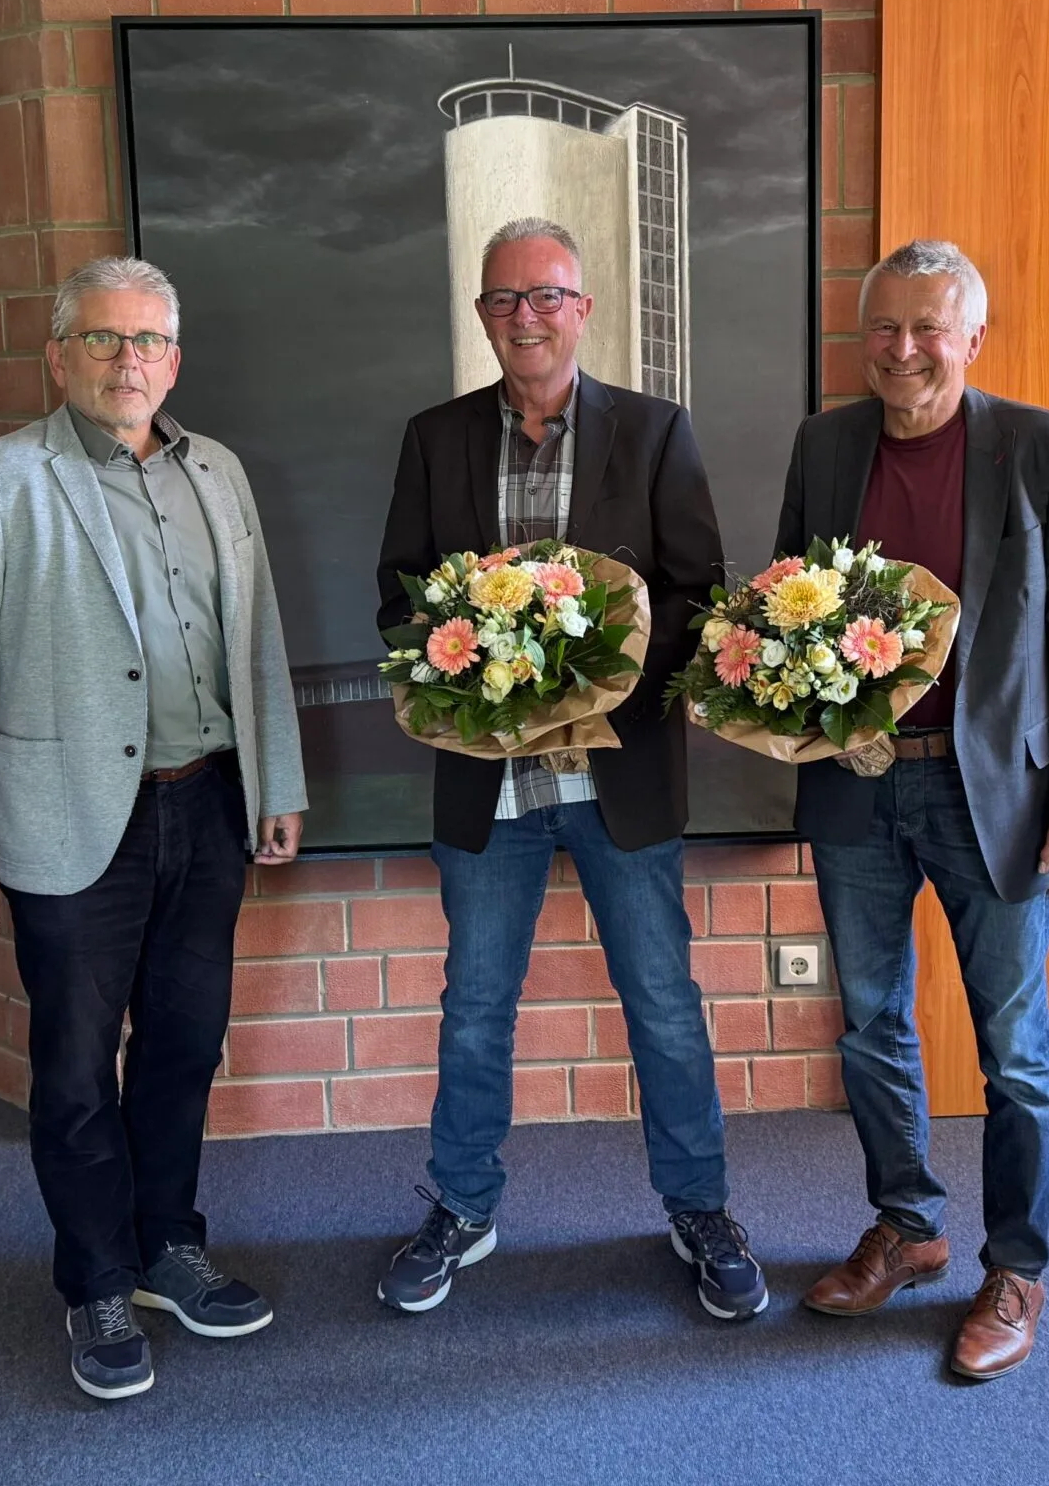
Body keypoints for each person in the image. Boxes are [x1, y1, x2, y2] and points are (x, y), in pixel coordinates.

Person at [0, 256, 307, 1400]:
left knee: (184, 1044)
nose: (128, 360)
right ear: (58, 356)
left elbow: (257, 634)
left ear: (174, 361)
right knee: (77, 1065)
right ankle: (95, 1279)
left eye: (148, 341)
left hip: (208, 802)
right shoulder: (0, 481)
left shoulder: (217, 471)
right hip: (70, 819)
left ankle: (168, 1245)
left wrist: (276, 778)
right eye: (102, 338)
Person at [374, 217, 767, 1321]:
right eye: (504, 299)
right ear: (482, 315)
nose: (526, 317)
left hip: (619, 778)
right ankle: (463, 1206)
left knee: (663, 1004)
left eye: (546, 295)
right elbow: (399, 594)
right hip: (486, 783)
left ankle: (699, 1208)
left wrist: (592, 659)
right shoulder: (435, 438)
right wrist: (481, 662)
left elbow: (699, 593)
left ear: (582, 309)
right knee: (474, 1008)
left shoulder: (655, 431)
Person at [775, 240, 1049, 1379]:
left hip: (1001, 797)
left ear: (972, 337)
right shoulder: (825, 445)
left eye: (928, 327)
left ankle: (1016, 1265)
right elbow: (789, 604)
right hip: (858, 780)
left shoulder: (1047, 449)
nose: (904, 349)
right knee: (870, 1022)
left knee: (1013, 1048)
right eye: (884, 327)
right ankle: (909, 1224)